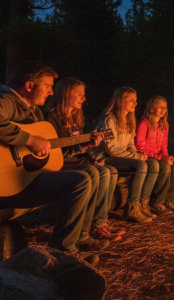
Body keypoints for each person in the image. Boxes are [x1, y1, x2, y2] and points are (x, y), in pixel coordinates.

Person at [0, 62, 99, 256]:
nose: (51, 93)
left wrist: (76, 146)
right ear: (29, 86)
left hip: (25, 175)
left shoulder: (33, 112)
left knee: (92, 172)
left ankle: (81, 237)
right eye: (47, 87)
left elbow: (44, 148)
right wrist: (29, 139)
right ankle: (62, 252)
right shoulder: (5, 100)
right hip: (2, 185)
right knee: (79, 181)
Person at [44, 77, 124, 243]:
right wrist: (83, 152)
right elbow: (55, 154)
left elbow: (78, 147)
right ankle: (89, 229)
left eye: (84, 95)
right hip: (58, 165)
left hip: (73, 161)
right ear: (65, 95)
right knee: (98, 172)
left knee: (110, 170)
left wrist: (90, 155)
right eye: (79, 94)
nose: (84, 98)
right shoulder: (51, 118)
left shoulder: (76, 118)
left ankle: (98, 222)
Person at [95, 87, 158, 224]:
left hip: (120, 158)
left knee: (152, 164)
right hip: (105, 158)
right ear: (120, 101)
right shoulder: (109, 120)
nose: (135, 103)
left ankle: (142, 204)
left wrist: (137, 154)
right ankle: (131, 208)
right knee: (140, 164)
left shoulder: (129, 120)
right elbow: (111, 149)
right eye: (131, 100)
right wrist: (136, 157)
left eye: (135, 100)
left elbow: (130, 145)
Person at [136, 96, 174, 214]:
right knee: (164, 166)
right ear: (152, 108)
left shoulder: (164, 124)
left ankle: (168, 200)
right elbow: (140, 146)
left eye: (165, 107)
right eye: (160, 107)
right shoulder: (144, 123)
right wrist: (161, 158)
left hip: (158, 157)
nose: (163, 110)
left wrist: (166, 157)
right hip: (147, 156)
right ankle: (157, 201)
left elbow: (163, 146)